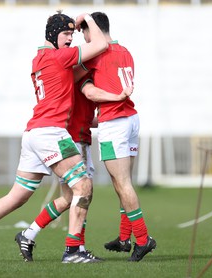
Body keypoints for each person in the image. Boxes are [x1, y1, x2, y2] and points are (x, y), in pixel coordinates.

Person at [0, 10, 108, 264]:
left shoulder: (40, 58)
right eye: (66, 34)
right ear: (53, 34)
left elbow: (72, 74)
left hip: (34, 133)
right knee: (84, 186)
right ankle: (73, 251)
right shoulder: (61, 57)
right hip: (52, 133)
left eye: (72, 33)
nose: (70, 39)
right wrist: (87, 19)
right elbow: (100, 44)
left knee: (17, 196)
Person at [15, 73, 133, 262]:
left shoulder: (71, 78)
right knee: (83, 193)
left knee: (70, 198)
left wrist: (108, 121)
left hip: (68, 138)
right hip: (74, 140)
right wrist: (118, 105)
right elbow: (87, 102)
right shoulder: (82, 79)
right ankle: (75, 249)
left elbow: (84, 117)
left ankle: (29, 234)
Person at [77, 12, 157, 262]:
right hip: (130, 119)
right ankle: (124, 238)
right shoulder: (125, 51)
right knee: (123, 182)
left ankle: (143, 240)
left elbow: (88, 88)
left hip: (114, 123)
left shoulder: (98, 53)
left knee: (123, 184)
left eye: (84, 32)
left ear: (93, 30)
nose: (85, 38)